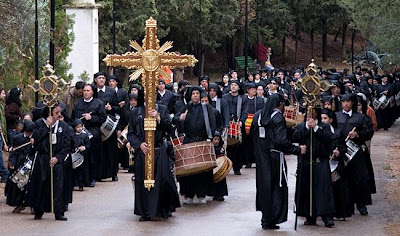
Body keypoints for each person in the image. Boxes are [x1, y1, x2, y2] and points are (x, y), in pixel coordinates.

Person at [251, 93, 305, 229]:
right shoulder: (278, 117)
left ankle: (266, 218)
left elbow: (252, 134)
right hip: (275, 157)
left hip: (261, 156)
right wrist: (296, 150)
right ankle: (274, 217)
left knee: (264, 187)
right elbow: (280, 140)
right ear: (279, 104)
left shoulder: (257, 115)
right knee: (276, 187)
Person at [127, 92, 180, 221]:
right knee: (143, 182)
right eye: (146, 94)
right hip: (143, 152)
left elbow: (169, 128)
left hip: (159, 150)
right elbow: (131, 133)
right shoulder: (136, 111)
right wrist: (139, 145)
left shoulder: (163, 109)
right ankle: (145, 212)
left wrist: (158, 117)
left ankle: (164, 209)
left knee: (164, 181)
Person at [292, 108, 335, 227]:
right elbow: (294, 138)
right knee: (306, 190)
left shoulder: (323, 126)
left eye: (312, 112)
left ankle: (327, 217)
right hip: (305, 162)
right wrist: (306, 128)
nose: (309, 114)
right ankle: (309, 216)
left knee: (323, 190)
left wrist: (315, 128)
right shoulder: (301, 126)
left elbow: (329, 139)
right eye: (308, 112)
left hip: (320, 162)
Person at [28, 104, 71, 221]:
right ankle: (38, 210)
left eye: (60, 112)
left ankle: (58, 211)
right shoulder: (39, 124)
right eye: (56, 113)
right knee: (40, 184)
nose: (59, 115)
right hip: (42, 159)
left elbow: (67, 145)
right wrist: (47, 126)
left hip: (56, 160)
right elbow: (35, 139)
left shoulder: (64, 126)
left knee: (58, 185)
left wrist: (58, 157)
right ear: (49, 114)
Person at [174, 87, 216, 204]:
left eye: (197, 93)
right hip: (189, 140)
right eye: (193, 93)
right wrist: (181, 118)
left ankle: (202, 194)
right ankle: (188, 195)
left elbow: (212, 123)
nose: (195, 95)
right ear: (190, 96)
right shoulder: (186, 107)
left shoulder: (207, 108)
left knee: (202, 171)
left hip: (202, 141)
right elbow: (175, 118)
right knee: (188, 170)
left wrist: (210, 138)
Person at [336, 93, 374, 216]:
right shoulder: (337, 116)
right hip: (341, 152)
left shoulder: (361, 117)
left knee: (359, 178)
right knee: (342, 178)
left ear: (352, 103)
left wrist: (358, 135)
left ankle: (361, 204)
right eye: (343, 101)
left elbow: (369, 132)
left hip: (356, 152)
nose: (345, 104)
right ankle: (344, 205)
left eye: (348, 101)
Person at [320, 108, 352, 221]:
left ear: (331, 119)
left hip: (337, 165)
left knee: (338, 188)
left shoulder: (338, 132)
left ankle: (339, 212)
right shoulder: (319, 131)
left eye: (325, 118)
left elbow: (344, 147)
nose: (323, 121)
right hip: (324, 163)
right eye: (321, 118)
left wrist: (339, 152)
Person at [72, 84, 107, 187]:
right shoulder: (78, 104)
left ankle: (92, 178)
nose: (86, 92)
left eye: (88, 90)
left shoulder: (98, 103)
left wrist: (91, 118)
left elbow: (103, 118)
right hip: (80, 132)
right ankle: (80, 180)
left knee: (92, 157)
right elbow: (73, 117)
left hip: (93, 131)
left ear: (92, 92)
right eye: (84, 91)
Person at [94, 72, 120, 181]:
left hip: (109, 124)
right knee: (99, 150)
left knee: (111, 149)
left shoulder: (111, 91)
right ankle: (99, 174)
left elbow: (118, 107)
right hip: (97, 123)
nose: (101, 80)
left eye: (103, 78)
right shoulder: (92, 91)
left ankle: (113, 173)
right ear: (95, 80)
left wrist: (111, 108)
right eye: (99, 78)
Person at [5, 120, 34, 213]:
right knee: (18, 184)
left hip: (30, 163)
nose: (29, 133)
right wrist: (11, 162)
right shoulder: (18, 138)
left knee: (30, 185)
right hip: (19, 163)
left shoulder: (35, 139)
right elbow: (13, 152)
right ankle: (19, 204)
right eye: (28, 131)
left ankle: (32, 205)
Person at [223, 81, 247, 175]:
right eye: (232, 85)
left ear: (238, 87)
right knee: (226, 146)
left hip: (238, 124)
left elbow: (245, 111)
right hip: (227, 124)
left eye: (235, 85)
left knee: (238, 147)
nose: (233, 87)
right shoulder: (225, 97)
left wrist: (241, 121)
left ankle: (237, 168)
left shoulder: (242, 98)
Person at [242, 83, 264, 168]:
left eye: (255, 88)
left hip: (255, 123)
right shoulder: (243, 99)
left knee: (256, 143)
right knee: (246, 143)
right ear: (248, 90)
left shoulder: (259, 100)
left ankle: (257, 160)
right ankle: (247, 161)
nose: (254, 90)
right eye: (252, 89)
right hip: (245, 122)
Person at [72, 118, 90, 191]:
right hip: (75, 155)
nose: (79, 129)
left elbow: (88, 145)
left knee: (81, 171)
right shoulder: (72, 135)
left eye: (80, 127)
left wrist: (84, 147)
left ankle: (81, 184)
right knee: (74, 172)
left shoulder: (84, 136)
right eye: (78, 127)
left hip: (82, 156)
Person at [210, 131, 228, 201]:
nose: (216, 141)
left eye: (218, 139)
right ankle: (214, 194)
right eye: (215, 139)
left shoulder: (221, 149)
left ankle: (220, 194)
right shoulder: (210, 148)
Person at [0, 87, 9, 183]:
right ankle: (4, 172)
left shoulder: (2, 106)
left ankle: (3, 173)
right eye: (3, 93)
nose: (4, 95)